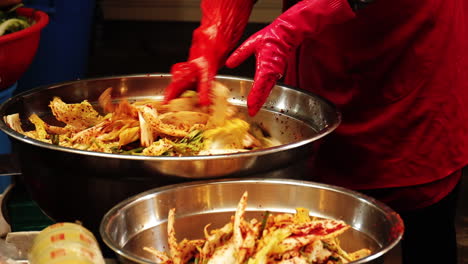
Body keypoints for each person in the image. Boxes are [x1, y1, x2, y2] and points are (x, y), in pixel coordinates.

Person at [163, 0, 468, 263]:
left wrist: (295, 24)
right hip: (323, 52)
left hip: (413, 50)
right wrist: (213, 34)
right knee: (319, 229)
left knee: (427, 226)